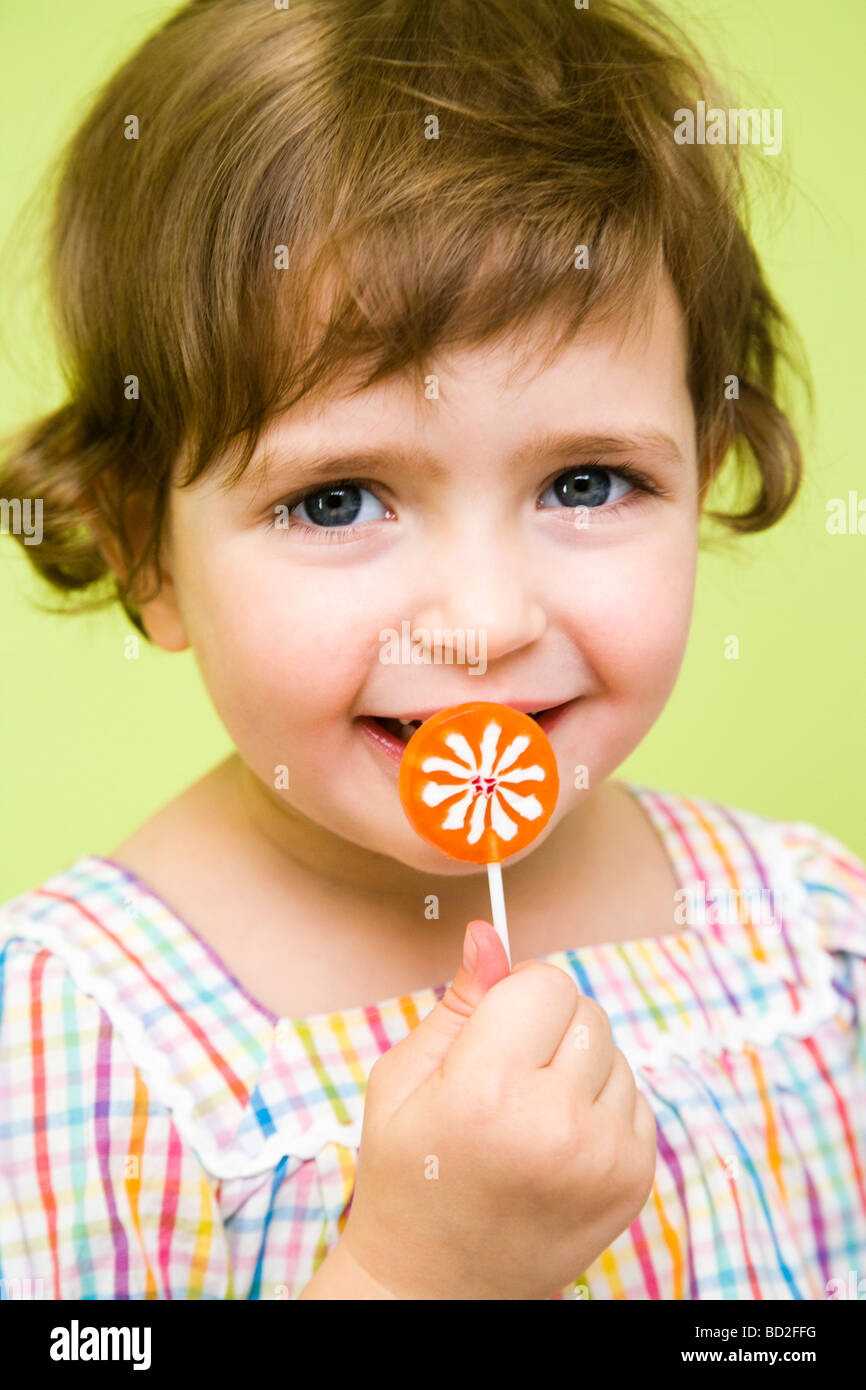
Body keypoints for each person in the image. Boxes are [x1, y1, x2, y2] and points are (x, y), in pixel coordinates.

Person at [1, 0, 863, 1301]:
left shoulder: (812, 935)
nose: (482, 619)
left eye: (585, 480)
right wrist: (418, 1276)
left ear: (709, 475)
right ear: (142, 550)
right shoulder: (67, 1046)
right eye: (338, 498)